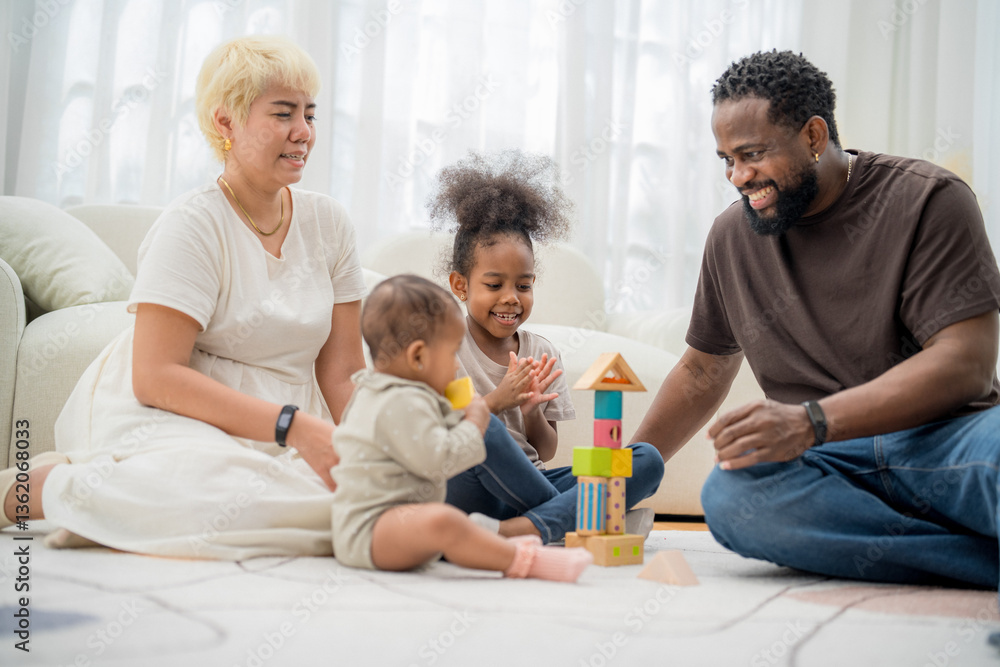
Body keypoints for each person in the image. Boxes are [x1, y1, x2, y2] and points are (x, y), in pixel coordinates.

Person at [630, 50, 1000, 593]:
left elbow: (965, 363)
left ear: (813, 136)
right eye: (726, 160)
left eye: (752, 154)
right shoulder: (732, 237)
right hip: (824, 465)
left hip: (945, 442)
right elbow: (702, 373)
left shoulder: (928, 197)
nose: (738, 177)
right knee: (735, 499)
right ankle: (978, 562)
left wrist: (810, 420)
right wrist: (623, 476)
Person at [0, 35, 367, 559]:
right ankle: (44, 489)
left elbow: (342, 371)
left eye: (310, 114)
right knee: (240, 497)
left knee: (348, 507)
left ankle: (115, 504)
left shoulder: (329, 222)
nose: (304, 132)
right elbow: (155, 377)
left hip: (282, 430)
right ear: (225, 123)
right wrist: (294, 426)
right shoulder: (192, 223)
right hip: (170, 413)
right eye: (283, 113)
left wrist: (373, 454)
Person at [429, 150, 665, 544]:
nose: (511, 298)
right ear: (460, 285)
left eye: (523, 285)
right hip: (471, 490)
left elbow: (546, 450)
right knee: (481, 426)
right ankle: (581, 517)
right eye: (494, 285)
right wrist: (497, 402)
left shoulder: (540, 351)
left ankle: (517, 531)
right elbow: (442, 435)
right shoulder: (446, 348)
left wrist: (532, 412)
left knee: (645, 460)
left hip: (531, 483)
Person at [330, 274, 592, 582]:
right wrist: (478, 419)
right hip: (372, 531)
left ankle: (567, 515)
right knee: (446, 522)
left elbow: (454, 408)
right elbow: (441, 461)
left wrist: (480, 407)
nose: (457, 364)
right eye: (453, 352)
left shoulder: (384, 391)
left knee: (632, 464)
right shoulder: (400, 401)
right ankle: (531, 557)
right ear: (417, 356)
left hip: (395, 523)